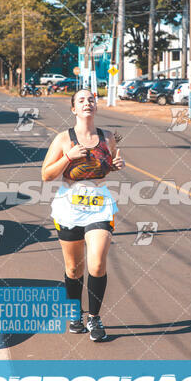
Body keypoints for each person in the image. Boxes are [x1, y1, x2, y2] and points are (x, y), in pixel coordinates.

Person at [41, 89, 125, 341]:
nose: (87, 103)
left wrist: (115, 165)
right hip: (69, 206)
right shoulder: (63, 139)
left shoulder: (108, 137)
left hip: (100, 205)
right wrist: (68, 157)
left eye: (91, 100)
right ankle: (75, 312)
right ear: (73, 109)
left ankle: (95, 318)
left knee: (97, 263)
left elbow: (104, 167)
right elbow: (46, 175)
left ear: (96, 107)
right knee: (73, 268)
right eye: (81, 100)